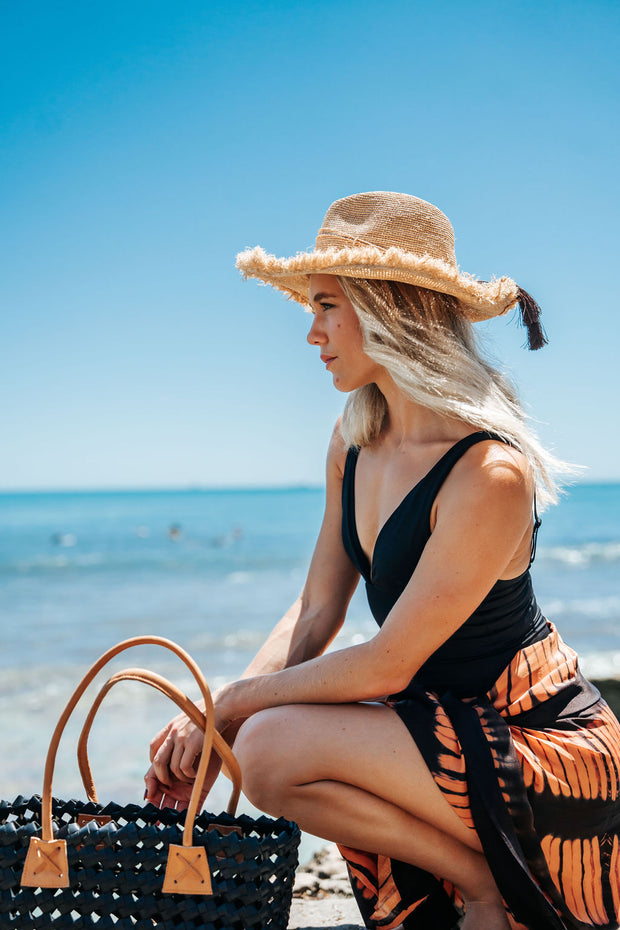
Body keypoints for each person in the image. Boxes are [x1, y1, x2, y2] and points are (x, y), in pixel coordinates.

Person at [145, 192, 620, 930]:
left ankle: (500, 880)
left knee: (266, 741)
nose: (311, 333)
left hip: (537, 753)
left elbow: (388, 663)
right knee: (259, 747)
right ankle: (477, 879)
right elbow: (315, 614)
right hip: (434, 734)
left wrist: (230, 707)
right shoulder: (354, 438)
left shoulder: (487, 473)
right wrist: (217, 724)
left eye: (327, 305)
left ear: (388, 308)